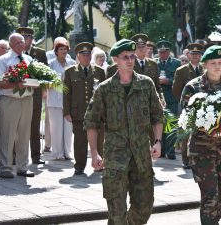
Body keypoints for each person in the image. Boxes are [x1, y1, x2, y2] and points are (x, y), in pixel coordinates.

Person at [84, 39, 163, 224]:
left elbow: (157, 116)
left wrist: (158, 141)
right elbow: (92, 123)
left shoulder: (146, 84)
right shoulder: (105, 89)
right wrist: (94, 154)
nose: (130, 60)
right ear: (115, 60)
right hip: (115, 158)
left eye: (132, 56)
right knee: (117, 213)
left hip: (141, 158)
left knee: (144, 208)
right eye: (125, 57)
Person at [180, 45, 221, 225]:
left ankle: (213, 219)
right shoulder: (193, 87)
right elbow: (184, 117)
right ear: (205, 64)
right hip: (202, 151)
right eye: (213, 63)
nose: (217, 66)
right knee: (209, 196)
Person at [0, 33, 37, 178]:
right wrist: (15, 84)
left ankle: (23, 166)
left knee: (24, 134)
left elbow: (34, 77)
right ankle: (5, 167)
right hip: (9, 99)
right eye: (19, 42)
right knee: (7, 134)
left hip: (27, 99)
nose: (23, 44)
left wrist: (39, 82)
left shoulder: (29, 59)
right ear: (11, 44)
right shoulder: (3, 60)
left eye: (23, 41)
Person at [63, 42, 106, 175]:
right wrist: (67, 112)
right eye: (83, 54)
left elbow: (104, 93)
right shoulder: (70, 72)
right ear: (78, 56)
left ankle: (99, 163)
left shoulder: (99, 71)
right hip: (78, 111)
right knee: (80, 140)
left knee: (99, 139)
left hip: (96, 112)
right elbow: (66, 93)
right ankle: (79, 165)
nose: (86, 57)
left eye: (88, 54)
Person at [17, 27, 48, 165]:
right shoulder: (14, 54)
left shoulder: (40, 53)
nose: (25, 41)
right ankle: (15, 156)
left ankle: (36, 156)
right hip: (17, 94)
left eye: (28, 38)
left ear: (31, 39)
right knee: (17, 126)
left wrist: (44, 88)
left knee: (34, 126)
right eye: (22, 38)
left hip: (35, 94)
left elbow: (46, 73)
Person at [172, 43, 204, 169]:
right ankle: (186, 160)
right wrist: (185, 102)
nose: (195, 56)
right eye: (193, 54)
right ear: (188, 55)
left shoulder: (205, 69)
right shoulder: (182, 70)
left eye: (198, 54)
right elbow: (176, 90)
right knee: (185, 134)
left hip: (203, 108)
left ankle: (199, 159)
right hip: (187, 107)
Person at [46, 40, 76, 160]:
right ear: (56, 52)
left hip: (69, 99)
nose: (63, 51)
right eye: (60, 49)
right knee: (56, 127)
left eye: (65, 49)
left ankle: (68, 152)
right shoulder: (50, 64)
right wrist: (58, 82)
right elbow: (46, 82)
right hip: (54, 99)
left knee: (68, 127)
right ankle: (57, 153)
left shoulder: (72, 63)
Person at [156, 40, 181, 159]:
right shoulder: (154, 63)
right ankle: (160, 151)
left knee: (171, 125)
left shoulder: (176, 63)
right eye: (161, 52)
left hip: (171, 98)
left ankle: (170, 151)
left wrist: (168, 81)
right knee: (159, 124)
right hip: (158, 98)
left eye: (165, 52)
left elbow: (179, 80)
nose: (163, 54)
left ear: (169, 52)